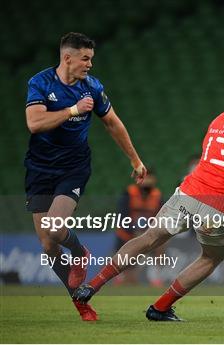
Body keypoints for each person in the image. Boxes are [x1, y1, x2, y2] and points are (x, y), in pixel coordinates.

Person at [72, 76, 224, 321]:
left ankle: (91, 286)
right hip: (219, 207)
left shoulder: (218, 121)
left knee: (149, 238)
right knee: (210, 257)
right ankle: (160, 308)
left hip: (188, 193)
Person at [24, 32, 146, 321]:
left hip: (73, 167)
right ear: (68, 58)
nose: (90, 64)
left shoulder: (92, 88)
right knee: (48, 245)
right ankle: (80, 302)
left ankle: (80, 253)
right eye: (85, 58)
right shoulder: (40, 83)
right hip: (39, 169)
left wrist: (135, 159)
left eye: (91, 59)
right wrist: (72, 110)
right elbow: (34, 123)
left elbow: (113, 123)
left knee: (56, 229)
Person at [113, 169, 165, 287]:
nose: (147, 181)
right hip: (128, 232)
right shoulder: (129, 193)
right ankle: (120, 275)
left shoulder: (157, 195)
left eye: (150, 178)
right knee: (122, 238)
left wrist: (148, 231)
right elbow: (122, 215)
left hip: (148, 232)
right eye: (145, 177)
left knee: (162, 241)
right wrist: (134, 231)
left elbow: (161, 216)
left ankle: (155, 275)